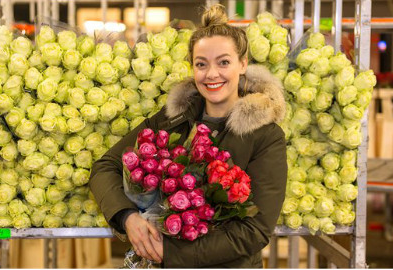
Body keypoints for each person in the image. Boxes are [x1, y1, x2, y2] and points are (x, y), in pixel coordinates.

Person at [89, 4, 287, 268]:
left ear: (243, 64)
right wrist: (127, 217)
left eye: (224, 62)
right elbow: (106, 166)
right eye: (201, 64)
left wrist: (169, 252)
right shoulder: (172, 119)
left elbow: (255, 231)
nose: (212, 74)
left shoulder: (265, 136)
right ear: (192, 67)